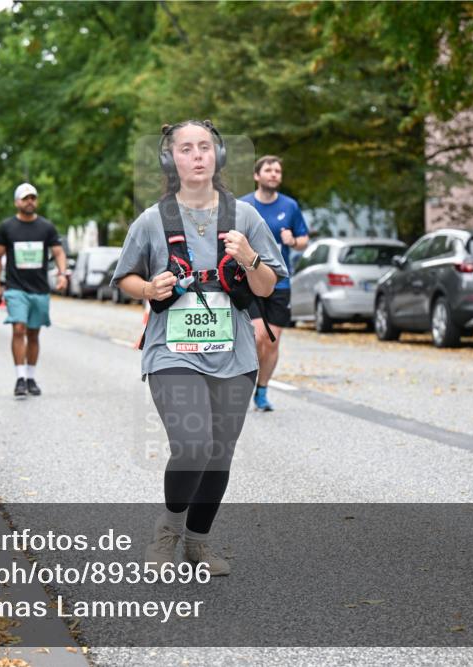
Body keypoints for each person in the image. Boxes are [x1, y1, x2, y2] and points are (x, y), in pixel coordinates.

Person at [112, 120, 286, 576]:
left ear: (217, 156)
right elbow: (125, 277)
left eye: (204, 147)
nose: (197, 155)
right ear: (171, 159)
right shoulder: (152, 219)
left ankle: (199, 542)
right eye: (186, 149)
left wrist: (248, 256)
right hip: (172, 349)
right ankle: (168, 529)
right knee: (192, 445)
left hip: (235, 353)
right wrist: (149, 288)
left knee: (220, 452)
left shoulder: (245, 217)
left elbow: (267, 286)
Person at [239, 155, 309, 411]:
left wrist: (293, 241)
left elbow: (304, 240)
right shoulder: (243, 206)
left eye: (278, 171)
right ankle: (244, 384)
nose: (274, 174)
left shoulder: (290, 206)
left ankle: (262, 390)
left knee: (272, 341)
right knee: (257, 336)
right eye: (269, 170)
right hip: (250, 281)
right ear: (257, 176)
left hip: (280, 283)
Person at [0, 183, 67, 397]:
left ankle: (31, 377)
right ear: (17, 202)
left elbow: (59, 253)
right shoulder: (7, 227)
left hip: (39, 289)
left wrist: (62, 274)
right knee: (18, 329)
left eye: (33, 198)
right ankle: (20, 377)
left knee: (33, 334)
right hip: (16, 288)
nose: (29, 201)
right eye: (25, 198)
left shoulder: (46, 227)